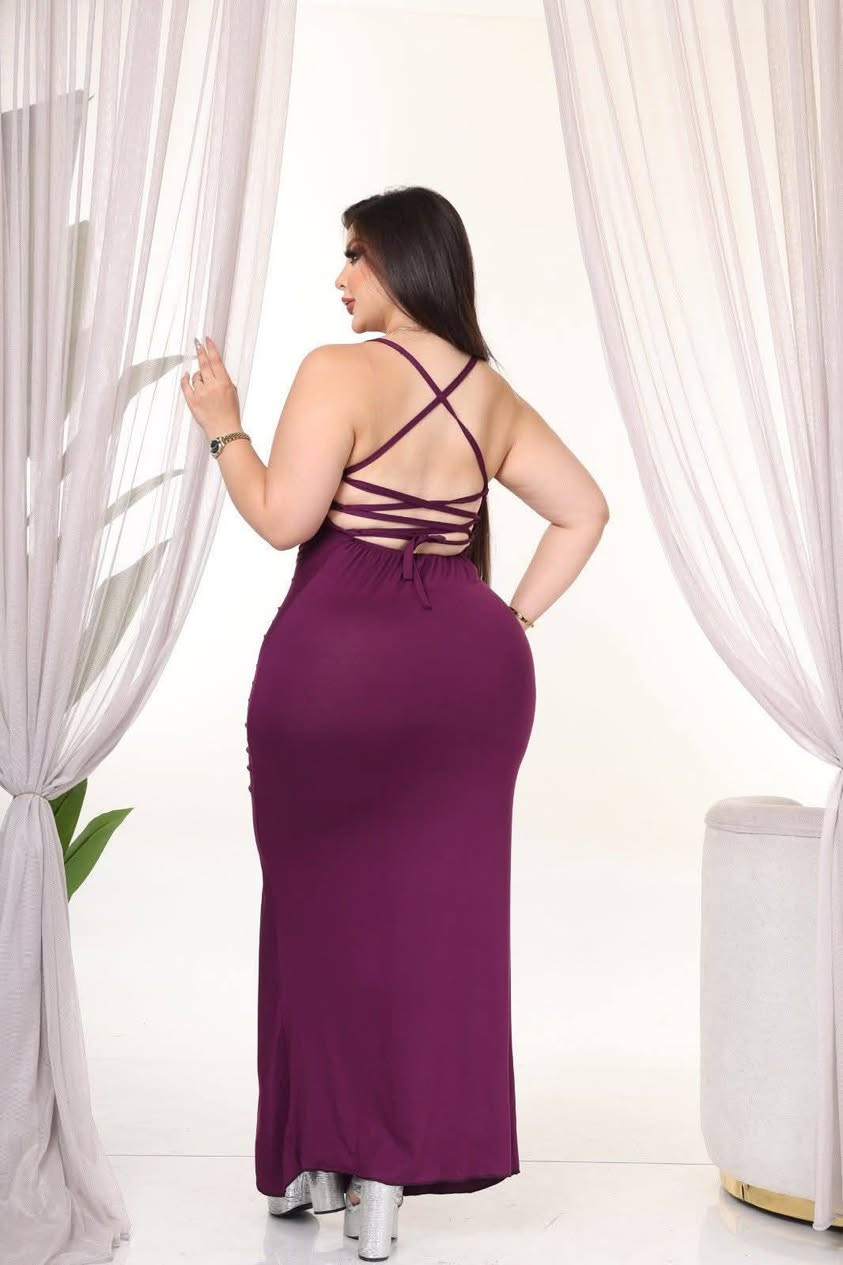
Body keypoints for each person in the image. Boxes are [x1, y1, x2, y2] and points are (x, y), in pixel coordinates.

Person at [242, 186, 610, 1261]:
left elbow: (282, 519)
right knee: (429, 927)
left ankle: (314, 1158)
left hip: (334, 674)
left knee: (313, 912)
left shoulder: (337, 370)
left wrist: (222, 428)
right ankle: (382, 1184)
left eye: (356, 254)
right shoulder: (489, 393)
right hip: (470, 678)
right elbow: (584, 508)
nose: (341, 276)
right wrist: (509, 619)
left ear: (404, 261)